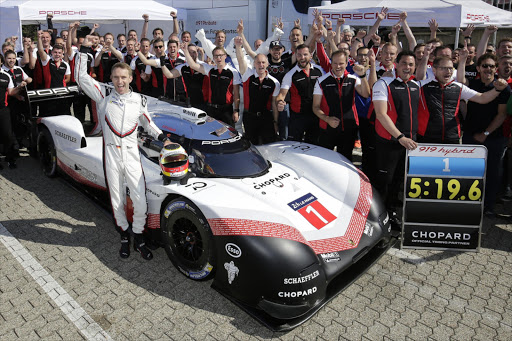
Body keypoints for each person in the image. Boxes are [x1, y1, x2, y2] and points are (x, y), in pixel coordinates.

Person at [75, 35, 171, 260]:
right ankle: (124, 236)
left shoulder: (139, 100)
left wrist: (164, 138)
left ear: (130, 78)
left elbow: (149, 124)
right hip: (110, 153)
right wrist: (84, 48)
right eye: (116, 77)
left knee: (140, 199)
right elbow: (80, 77)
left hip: (131, 154)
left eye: (124, 77)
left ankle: (138, 235)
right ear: (111, 78)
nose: (120, 81)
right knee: (116, 198)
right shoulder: (103, 95)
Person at [372, 51, 420, 226]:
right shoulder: (383, 83)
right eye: (404, 64)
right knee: (385, 181)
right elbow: (381, 114)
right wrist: (400, 136)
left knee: (399, 180)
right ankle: (378, 217)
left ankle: (390, 213)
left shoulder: (415, 85)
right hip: (389, 142)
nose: (407, 67)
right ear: (396, 64)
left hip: (408, 143)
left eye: (411, 64)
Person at [460, 53, 511, 216]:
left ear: (496, 69)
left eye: (491, 66)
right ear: (478, 68)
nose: (488, 69)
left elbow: (502, 114)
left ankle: (488, 207)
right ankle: (469, 205)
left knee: (492, 173)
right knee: (469, 172)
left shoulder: (504, 88)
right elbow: (460, 82)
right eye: (485, 66)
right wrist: (461, 61)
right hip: (470, 135)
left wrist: (486, 133)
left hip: (494, 138)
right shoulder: (472, 84)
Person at [312, 50, 370, 160]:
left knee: (345, 159)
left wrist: (363, 76)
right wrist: (327, 119)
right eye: (335, 63)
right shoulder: (321, 81)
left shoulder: (354, 78)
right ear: (331, 63)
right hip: (328, 128)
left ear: (347, 63)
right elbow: (315, 106)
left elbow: (366, 94)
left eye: (341, 63)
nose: (338, 66)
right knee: (326, 160)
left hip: (349, 127)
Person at [182, 42, 241, 126]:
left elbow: (236, 94)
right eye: (216, 56)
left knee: (229, 134)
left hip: (226, 110)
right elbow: (193, 65)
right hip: (211, 109)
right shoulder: (210, 70)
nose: (218, 58)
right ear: (213, 58)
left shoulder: (233, 72)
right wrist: (185, 51)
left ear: (225, 56)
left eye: (221, 55)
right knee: (212, 134)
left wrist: (236, 110)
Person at [234, 37, 280, 144]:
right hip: (250, 117)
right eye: (258, 63)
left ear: (267, 64)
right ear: (254, 64)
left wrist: (275, 122)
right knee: (251, 146)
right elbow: (240, 60)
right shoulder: (247, 76)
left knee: (268, 145)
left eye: (263, 63)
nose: (261, 65)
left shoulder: (274, 83)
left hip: (266, 118)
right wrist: (238, 46)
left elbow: (274, 104)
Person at [276, 44, 324, 144]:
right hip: (298, 117)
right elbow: (282, 94)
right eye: (299, 55)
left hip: (316, 116)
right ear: (296, 56)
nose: (302, 58)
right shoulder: (290, 74)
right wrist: (280, 102)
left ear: (311, 55)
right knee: (293, 146)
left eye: (305, 54)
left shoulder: (319, 71)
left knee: (314, 146)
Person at [159, 44, 207, 109]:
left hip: (204, 102)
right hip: (190, 102)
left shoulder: (203, 65)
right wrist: (162, 63)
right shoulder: (183, 67)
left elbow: (193, 65)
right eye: (189, 52)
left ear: (197, 53)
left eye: (193, 52)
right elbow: (169, 75)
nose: (191, 54)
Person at [0, 66, 16, 169]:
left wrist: (19, 88)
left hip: (3, 109)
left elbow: (11, 92)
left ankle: (10, 159)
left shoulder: (6, 76)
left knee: (8, 134)